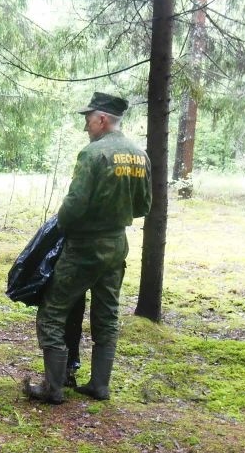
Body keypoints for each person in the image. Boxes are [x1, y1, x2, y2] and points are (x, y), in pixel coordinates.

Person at [25, 92, 151, 404]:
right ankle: (99, 385)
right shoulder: (139, 155)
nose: (86, 127)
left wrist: (62, 225)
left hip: (84, 248)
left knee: (52, 312)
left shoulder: (92, 154)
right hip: (116, 246)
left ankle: (52, 388)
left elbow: (74, 205)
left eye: (88, 120)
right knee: (106, 315)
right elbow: (143, 206)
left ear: (102, 119)